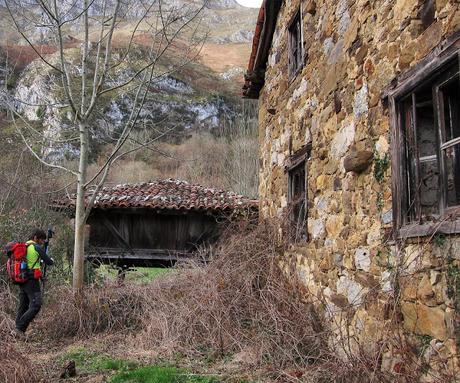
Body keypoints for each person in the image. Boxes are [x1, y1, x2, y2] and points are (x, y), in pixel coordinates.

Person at [15, 228, 54, 337]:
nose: (42, 242)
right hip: (31, 281)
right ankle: (19, 328)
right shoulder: (36, 247)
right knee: (36, 305)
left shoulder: (24, 246)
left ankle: (17, 330)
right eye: (41, 240)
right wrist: (51, 260)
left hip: (22, 279)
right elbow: (49, 262)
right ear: (35, 237)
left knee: (23, 305)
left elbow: (33, 264)